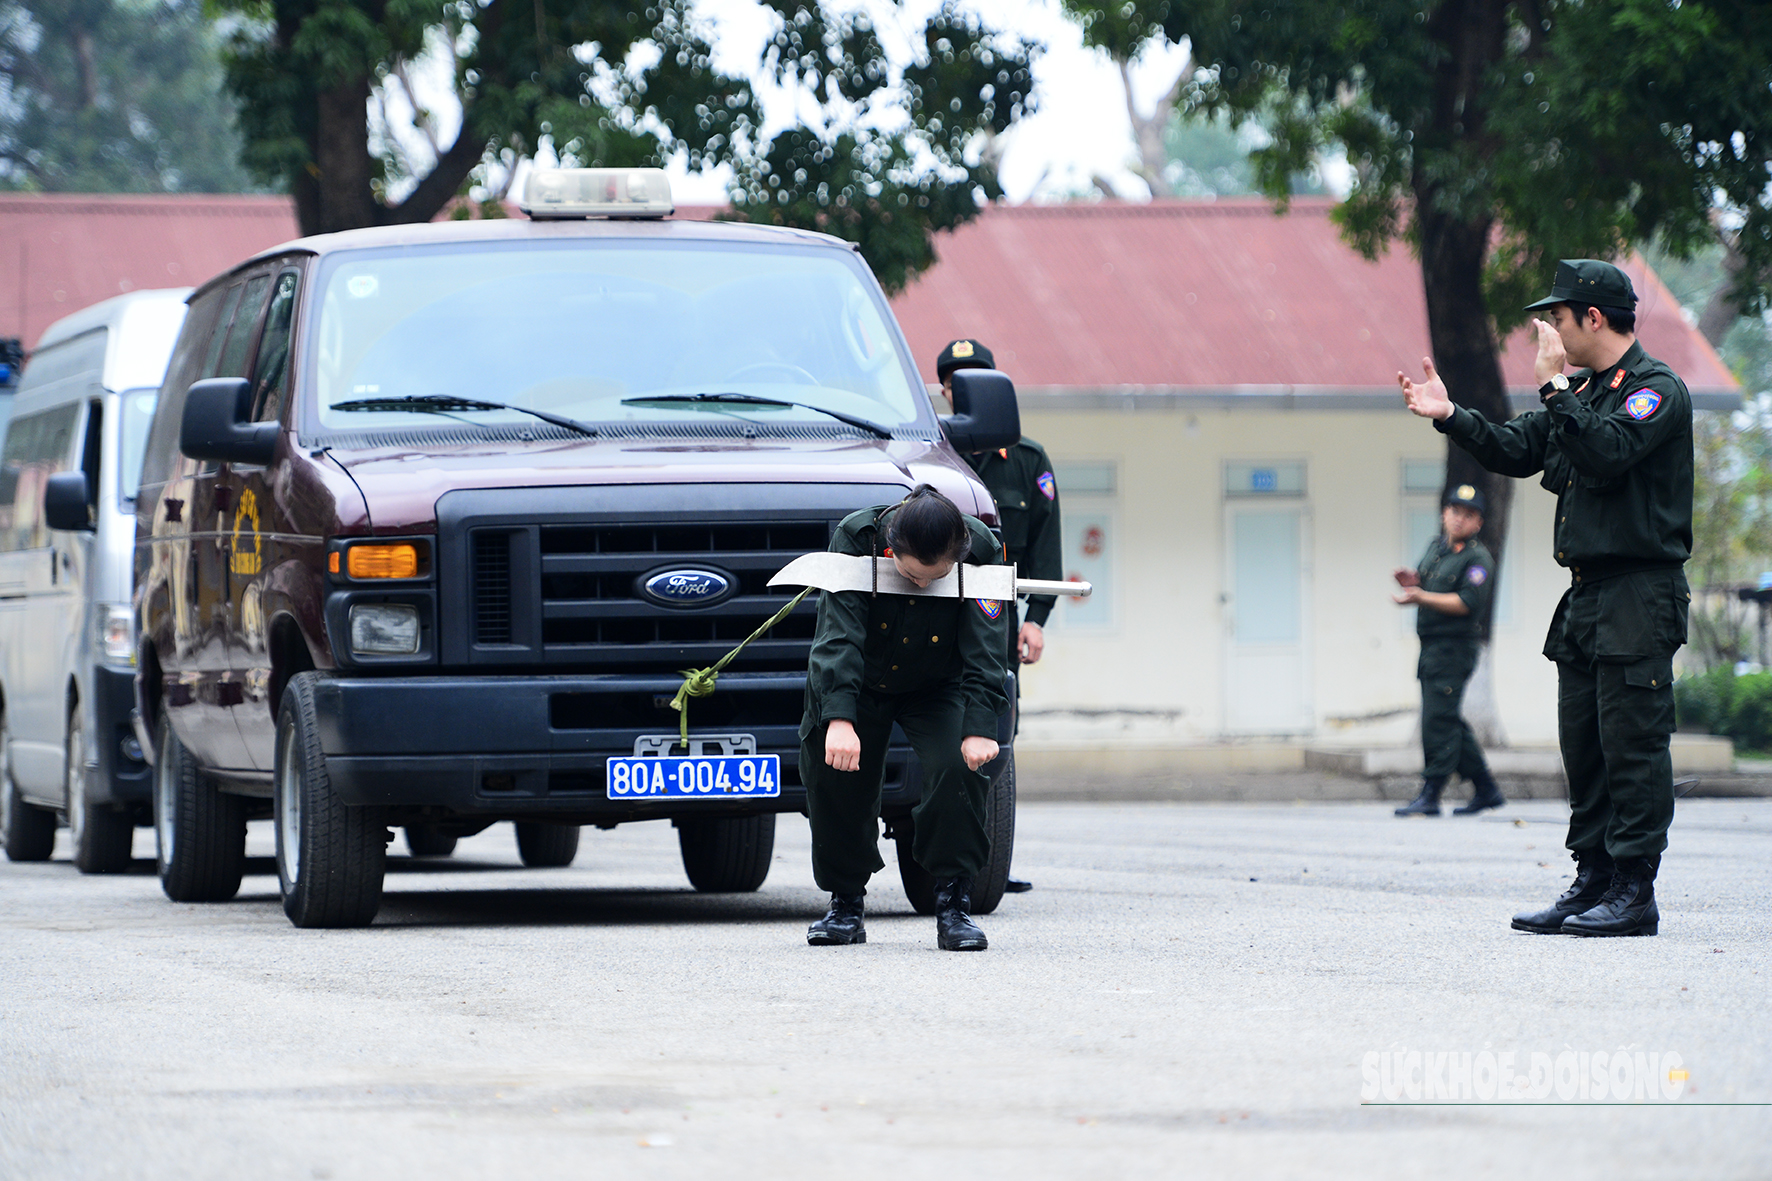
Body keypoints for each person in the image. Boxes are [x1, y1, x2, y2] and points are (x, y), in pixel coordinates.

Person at [1399, 258, 1693, 938]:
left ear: (1593, 318)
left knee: (1633, 746)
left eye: (1557, 317)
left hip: (1637, 594)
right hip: (1587, 598)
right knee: (1584, 746)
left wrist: (1558, 389)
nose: (1548, 330)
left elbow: (1608, 453)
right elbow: (1513, 446)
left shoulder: (1653, 391)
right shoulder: (1580, 392)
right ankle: (1590, 877)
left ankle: (1633, 888)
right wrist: (1450, 416)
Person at [800, 485, 1010, 951]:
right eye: (911, 574)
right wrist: (839, 718)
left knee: (960, 767)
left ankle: (954, 905)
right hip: (863, 681)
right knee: (834, 767)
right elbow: (838, 636)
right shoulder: (857, 537)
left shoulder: (983, 548)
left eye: (933, 578)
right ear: (893, 546)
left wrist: (978, 726)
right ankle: (845, 904)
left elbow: (987, 647)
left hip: (939, 685)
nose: (920, 584)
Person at [938, 338, 1062, 893]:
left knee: (993, 730)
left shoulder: (1028, 461)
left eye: (975, 378)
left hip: (997, 624)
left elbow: (1043, 547)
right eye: (954, 379)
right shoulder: (932, 451)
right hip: (932, 621)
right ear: (943, 390)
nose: (963, 387)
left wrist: (1037, 618)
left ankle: (987, 859)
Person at [1391, 484, 1506, 817]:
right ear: (1444, 513)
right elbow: (1427, 586)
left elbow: (1466, 603)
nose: (1459, 519)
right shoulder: (1436, 548)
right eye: (1455, 511)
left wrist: (1420, 597)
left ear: (1478, 523)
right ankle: (1486, 789)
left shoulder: (1478, 559)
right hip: (1432, 647)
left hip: (1454, 649)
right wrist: (1411, 583)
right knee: (1447, 719)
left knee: (1436, 720)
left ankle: (1431, 792)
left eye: (1468, 515)